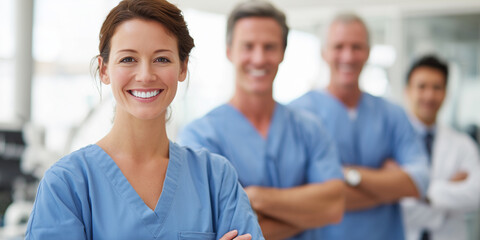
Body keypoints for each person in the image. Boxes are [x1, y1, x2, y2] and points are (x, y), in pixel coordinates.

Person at [25, 0, 264, 239]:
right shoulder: (67, 184)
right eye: (128, 59)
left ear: (182, 67)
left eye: (162, 59)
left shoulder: (216, 178)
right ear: (104, 70)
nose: (146, 75)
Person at [178, 1, 345, 239]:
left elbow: (334, 207)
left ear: (283, 53)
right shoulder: (200, 135)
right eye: (248, 46)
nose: (258, 58)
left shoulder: (310, 128)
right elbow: (220, 227)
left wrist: (253, 197)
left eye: (269, 47)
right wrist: (308, 215)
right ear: (229, 51)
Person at [289, 12, 429, 240]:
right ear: (323, 52)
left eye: (357, 47)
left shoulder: (392, 114)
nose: (348, 56)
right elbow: (298, 195)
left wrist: (347, 175)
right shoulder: (297, 115)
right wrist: (388, 186)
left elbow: (419, 181)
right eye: (339, 46)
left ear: (368, 52)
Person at [401, 55, 480, 240]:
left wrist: (419, 191)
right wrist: (449, 189)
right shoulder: (391, 142)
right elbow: (396, 204)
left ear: (446, 93)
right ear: (407, 91)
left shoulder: (463, 144)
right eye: (422, 87)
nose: (429, 95)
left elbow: (475, 195)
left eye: (437, 88)